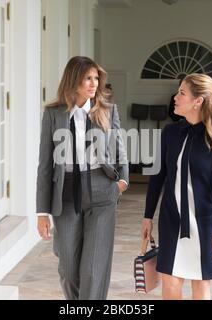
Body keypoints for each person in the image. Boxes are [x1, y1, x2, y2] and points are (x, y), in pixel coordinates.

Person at [36, 56, 129, 300]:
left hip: (101, 191)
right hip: (65, 195)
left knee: (93, 270)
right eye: (87, 78)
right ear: (73, 80)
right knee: (68, 268)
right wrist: (41, 212)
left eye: (96, 78)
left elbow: (120, 149)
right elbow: (45, 165)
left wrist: (122, 182)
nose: (93, 84)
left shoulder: (107, 111)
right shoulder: (53, 114)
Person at [141, 73, 212, 300]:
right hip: (172, 219)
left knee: (200, 284)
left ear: (197, 101)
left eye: (182, 93)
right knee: (170, 283)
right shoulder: (170, 133)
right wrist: (147, 216)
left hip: (204, 224)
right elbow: (157, 177)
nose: (175, 97)